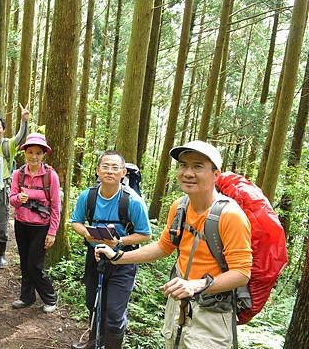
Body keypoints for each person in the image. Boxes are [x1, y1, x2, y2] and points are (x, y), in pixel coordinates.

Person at [95, 141, 252, 349]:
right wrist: (118, 257)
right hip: (178, 303)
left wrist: (195, 285)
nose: (187, 172)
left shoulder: (230, 216)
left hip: (212, 310)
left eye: (197, 166)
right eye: (183, 165)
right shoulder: (179, 207)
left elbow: (241, 273)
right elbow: (164, 247)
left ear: (216, 174)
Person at [71, 150, 152, 349]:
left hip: (122, 259)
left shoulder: (132, 201)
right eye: (105, 166)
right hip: (96, 257)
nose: (110, 171)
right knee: (93, 304)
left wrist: (119, 242)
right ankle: (94, 342)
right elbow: (76, 222)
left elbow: (145, 234)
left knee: (114, 314)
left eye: (115, 167)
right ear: (98, 171)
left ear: (123, 172)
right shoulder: (87, 196)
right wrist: (87, 234)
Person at [9, 133, 60, 314]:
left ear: (43, 154)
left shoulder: (50, 176)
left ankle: (50, 297)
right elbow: (12, 199)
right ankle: (26, 297)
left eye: (38, 152)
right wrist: (18, 198)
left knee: (34, 265)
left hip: (41, 227)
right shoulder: (18, 174)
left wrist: (52, 232)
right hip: (21, 224)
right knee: (24, 262)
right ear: (25, 153)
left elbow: (56, 206)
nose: (34, 156)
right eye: (30, 152)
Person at [0, 103, 30, 267]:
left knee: (2, 224)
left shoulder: (8, 145)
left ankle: (1, 255)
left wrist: (24, 121)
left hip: (3, 190)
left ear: (3, 129)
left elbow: (21, 138)